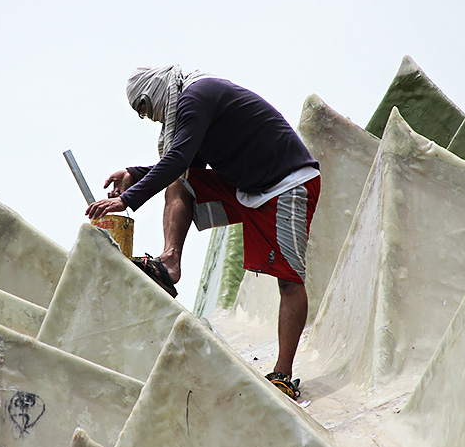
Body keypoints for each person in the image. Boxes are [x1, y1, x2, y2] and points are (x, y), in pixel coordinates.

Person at [86, 65, 321, 400]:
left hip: (287, 184)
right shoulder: (190, 108)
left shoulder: (196, 96)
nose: (147, 117)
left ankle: (283, 373)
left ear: (155, 90)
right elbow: (181, 165)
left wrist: (127, 199)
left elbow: (178, 154)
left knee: (289, 279)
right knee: (180, 183)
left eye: (143, 107)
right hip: (250, 188)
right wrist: (135, 174)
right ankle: (170, 263)